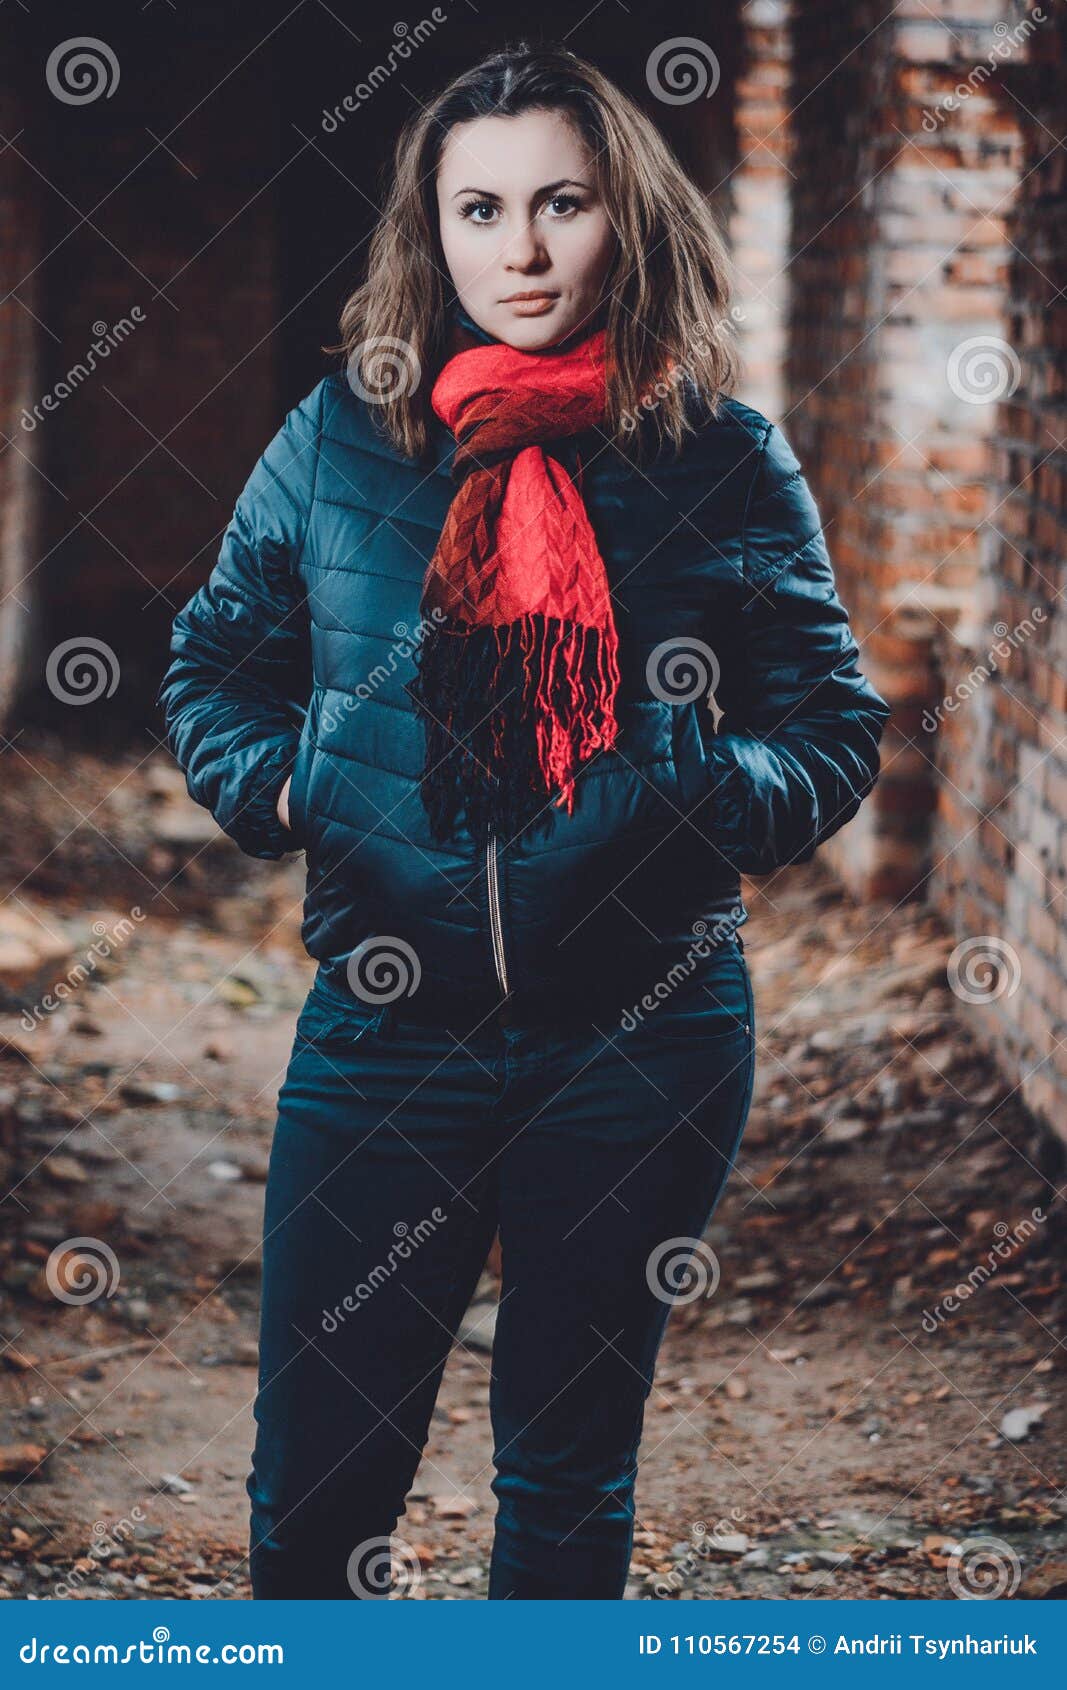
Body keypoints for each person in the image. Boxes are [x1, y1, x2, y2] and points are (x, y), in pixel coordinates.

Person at [159, 41, 891, 1601]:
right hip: (383, 1033)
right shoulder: (341, 440)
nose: (525, 251)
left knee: (564, 1501)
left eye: (562, 203)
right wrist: (288, 784)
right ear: (433, 233)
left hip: (641, 1044)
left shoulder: (719, 457)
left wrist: (690, 781)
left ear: (626, 214)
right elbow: (211, 662)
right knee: (313, 1500)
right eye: (480, 210)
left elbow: (833, 737)